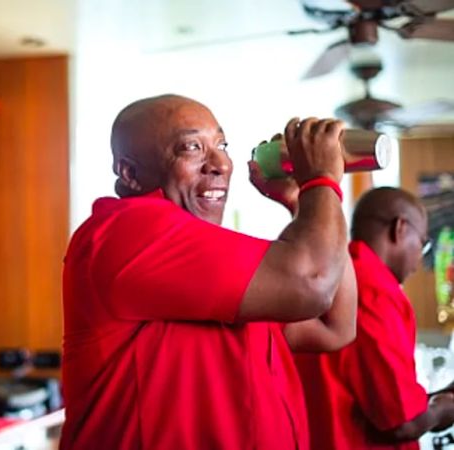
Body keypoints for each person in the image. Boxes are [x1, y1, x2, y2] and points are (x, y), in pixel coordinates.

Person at [60, 94, 357, 449]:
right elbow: (314, 281)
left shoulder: (215, 263)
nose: (220, 163)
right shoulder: (126, 231)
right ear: (130, 174)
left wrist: (299, 202)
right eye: (191, 147)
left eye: (222, 144)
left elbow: (335, 326)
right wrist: (321, 182)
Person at [294, 186, 454, 450]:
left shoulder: (337, 276)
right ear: (400, 228)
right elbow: (401, 421)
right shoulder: (372, 292)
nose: (417, 260)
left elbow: (381, 398)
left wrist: (439, 396)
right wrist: (442, 410)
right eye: (422, 243)